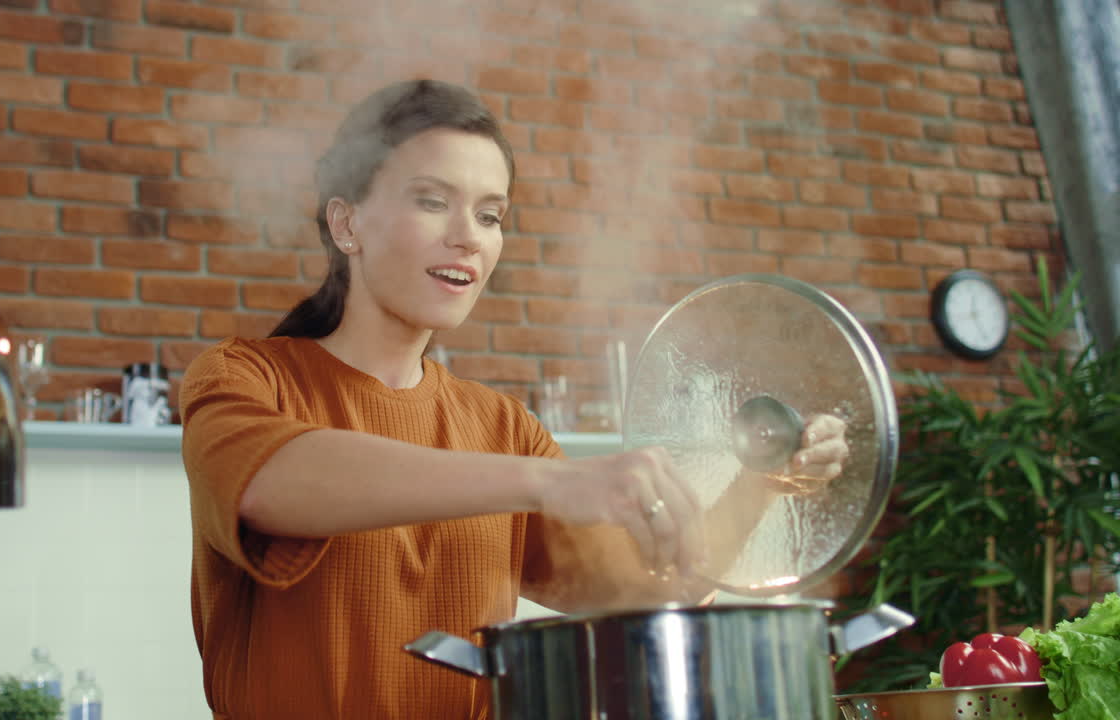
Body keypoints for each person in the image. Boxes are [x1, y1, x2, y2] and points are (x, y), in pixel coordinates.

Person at [179, 79, 849, 719]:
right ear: (347, 224)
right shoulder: (242, 378)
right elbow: (272, 482)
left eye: (491, 214)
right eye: (433, 201)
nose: (469, 236)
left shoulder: (502, 426)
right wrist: (544, 481)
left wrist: (762, 483)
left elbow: (646, 587)